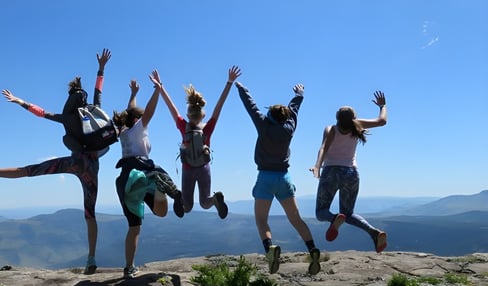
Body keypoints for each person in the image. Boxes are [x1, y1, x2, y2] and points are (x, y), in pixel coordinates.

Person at [0, 49, 112, 275]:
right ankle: (91, 258)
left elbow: (42, 113)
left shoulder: (67, 117)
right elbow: (98, 93)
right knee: (90, 213)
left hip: (73, 163)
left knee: (29, 170)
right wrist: (101, 69)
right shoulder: (93, 112)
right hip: (92, 166)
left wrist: (19, 101)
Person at [235, 79, 321, 275]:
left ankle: (270, 249)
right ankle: (312, 250)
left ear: (270, 115)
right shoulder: (289, 127)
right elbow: (294, 110)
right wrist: (299, 94)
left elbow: (251, 105)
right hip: (284, 178)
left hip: (265, 178)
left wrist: (241, 87)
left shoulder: (263, 125)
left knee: (261, 220)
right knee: (296, 219)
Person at [113, 71, 184, 279]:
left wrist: (133, 93)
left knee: (134, 227)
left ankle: (129, 268)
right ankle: (170, 189)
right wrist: (157, 89)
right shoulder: (138, 127)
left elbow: (129, 111)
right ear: (138, 118)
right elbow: (149, 112)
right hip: (141, 172)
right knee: (158, 178)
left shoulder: (124, 130)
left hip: (126, 181)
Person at [155, 66, 241, 219]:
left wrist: (160, 87)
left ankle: (177, 197)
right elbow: (218, 107)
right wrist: (229, 82)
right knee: (205, 202)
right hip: (204, 168)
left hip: (188, 168)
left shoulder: (183, 126)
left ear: (188, 114)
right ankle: (215, 200)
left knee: (187, 206)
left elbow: (172, 107)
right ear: (203, 114)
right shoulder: (208, 129)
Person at [309, 91, 388, 253]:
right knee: (349, 213)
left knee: (321, 212)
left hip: (331, 172)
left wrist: (317, 166)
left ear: (337, 118)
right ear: (353, 118)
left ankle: (333, 219)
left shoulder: (331, 129)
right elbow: (382, 121)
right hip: (351, 173)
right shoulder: (357, 125)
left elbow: (323, 147)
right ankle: (374, 232)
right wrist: (382, 106)